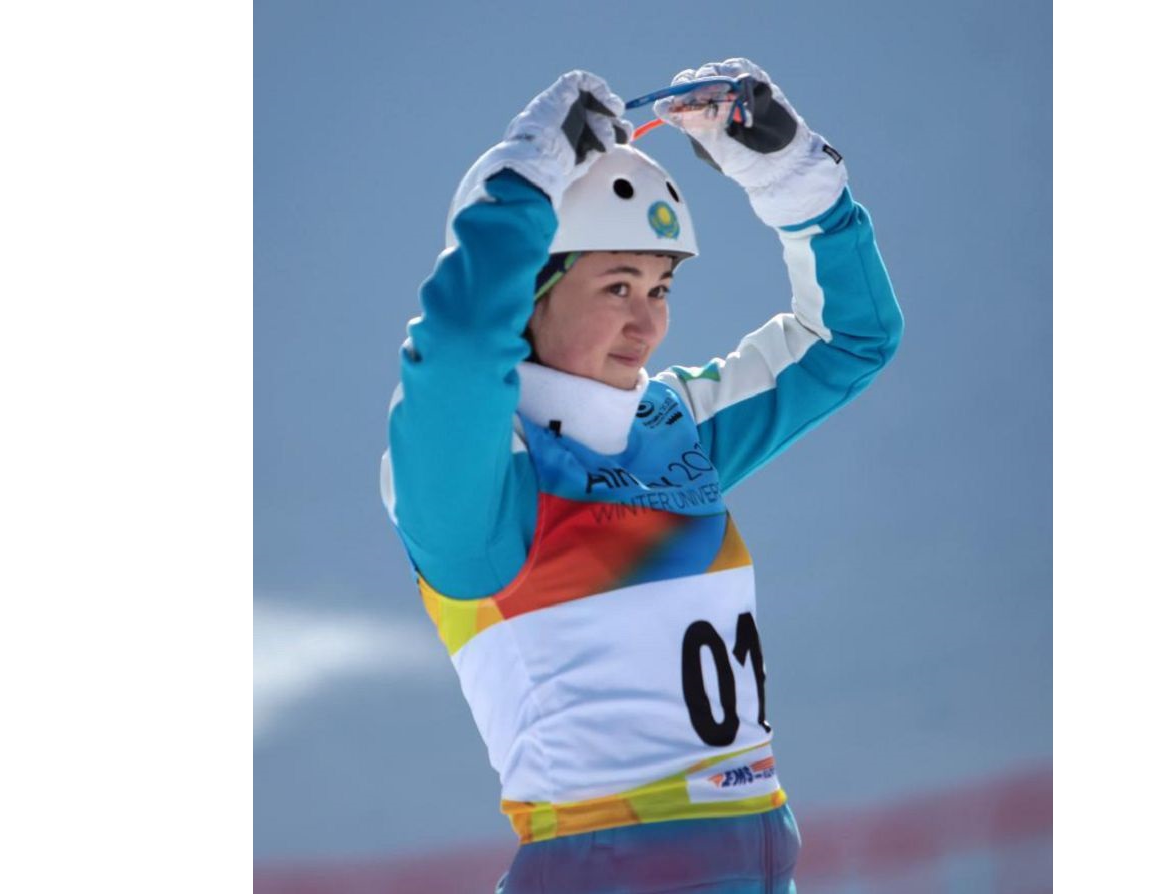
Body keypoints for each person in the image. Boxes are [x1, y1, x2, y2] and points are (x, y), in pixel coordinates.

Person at [381, 59, 903, 893]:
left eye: (660, 287)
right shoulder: (485, 492)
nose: (647, 324)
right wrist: (521, 182)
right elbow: (456, 355)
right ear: (527, 295)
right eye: (616, 286)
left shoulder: (670, 424)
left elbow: (851, 339)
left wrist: (795, 179)